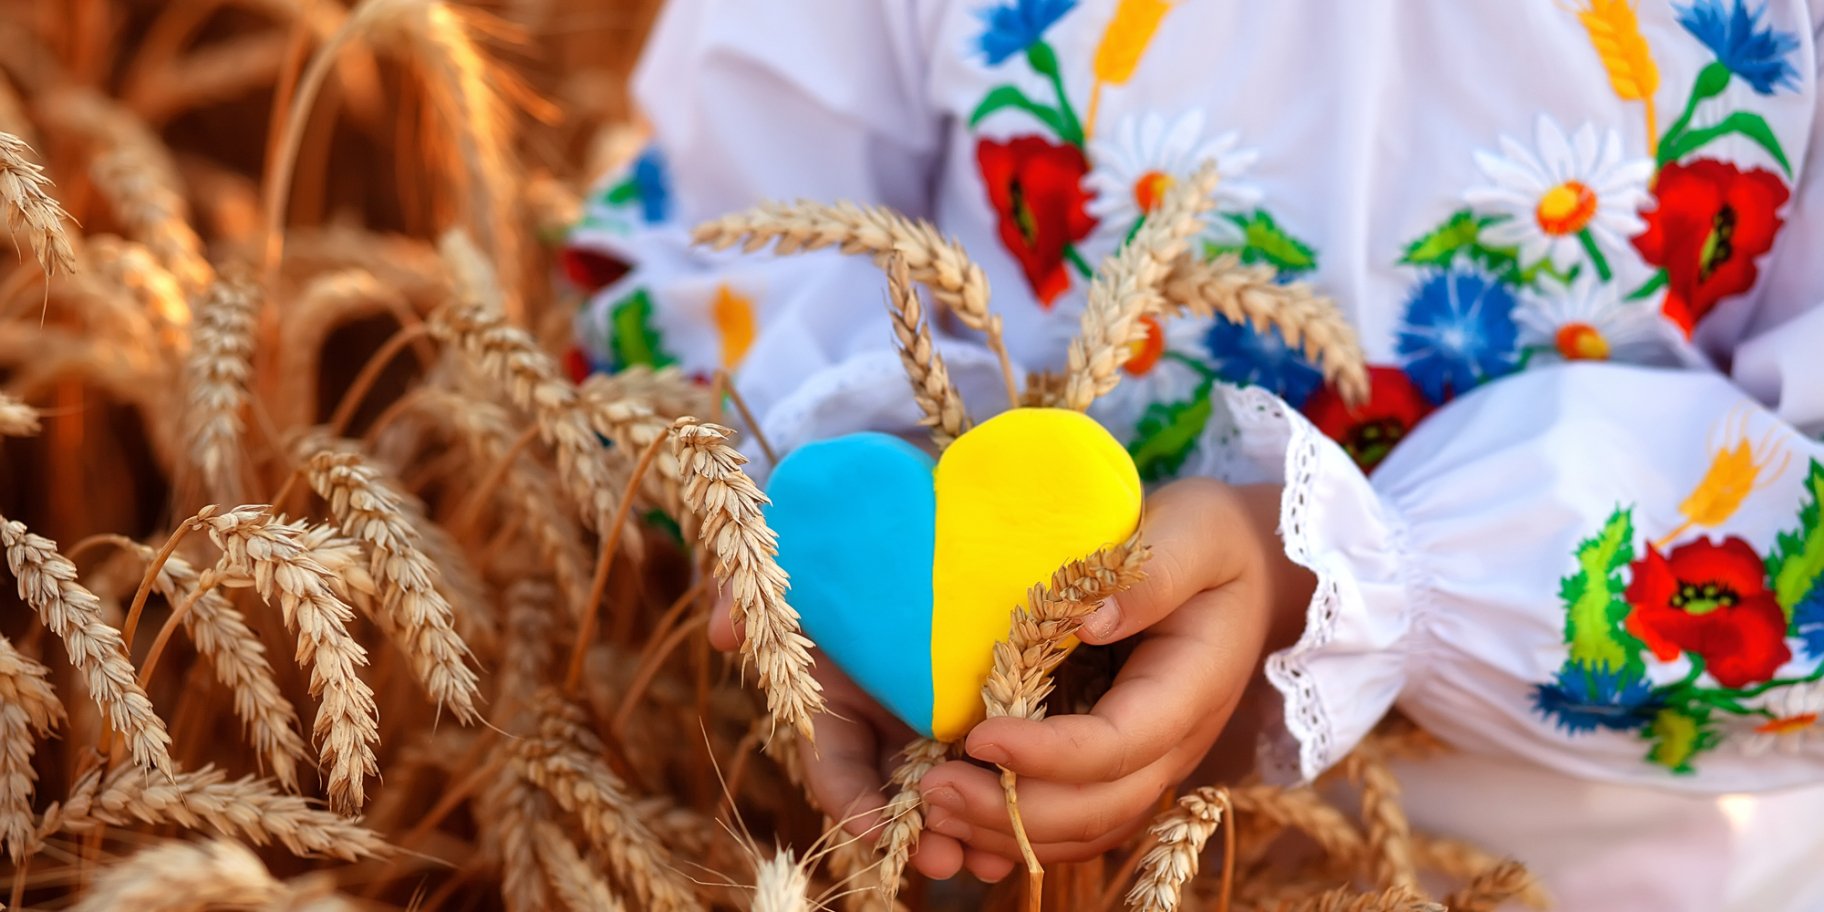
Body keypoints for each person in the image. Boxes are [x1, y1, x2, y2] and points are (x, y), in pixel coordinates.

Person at [562, 1, 1824, 907]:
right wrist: (847, 522)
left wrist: (1318, 585)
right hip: (956, 839)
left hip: (1592, 876)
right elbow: (719, 227)